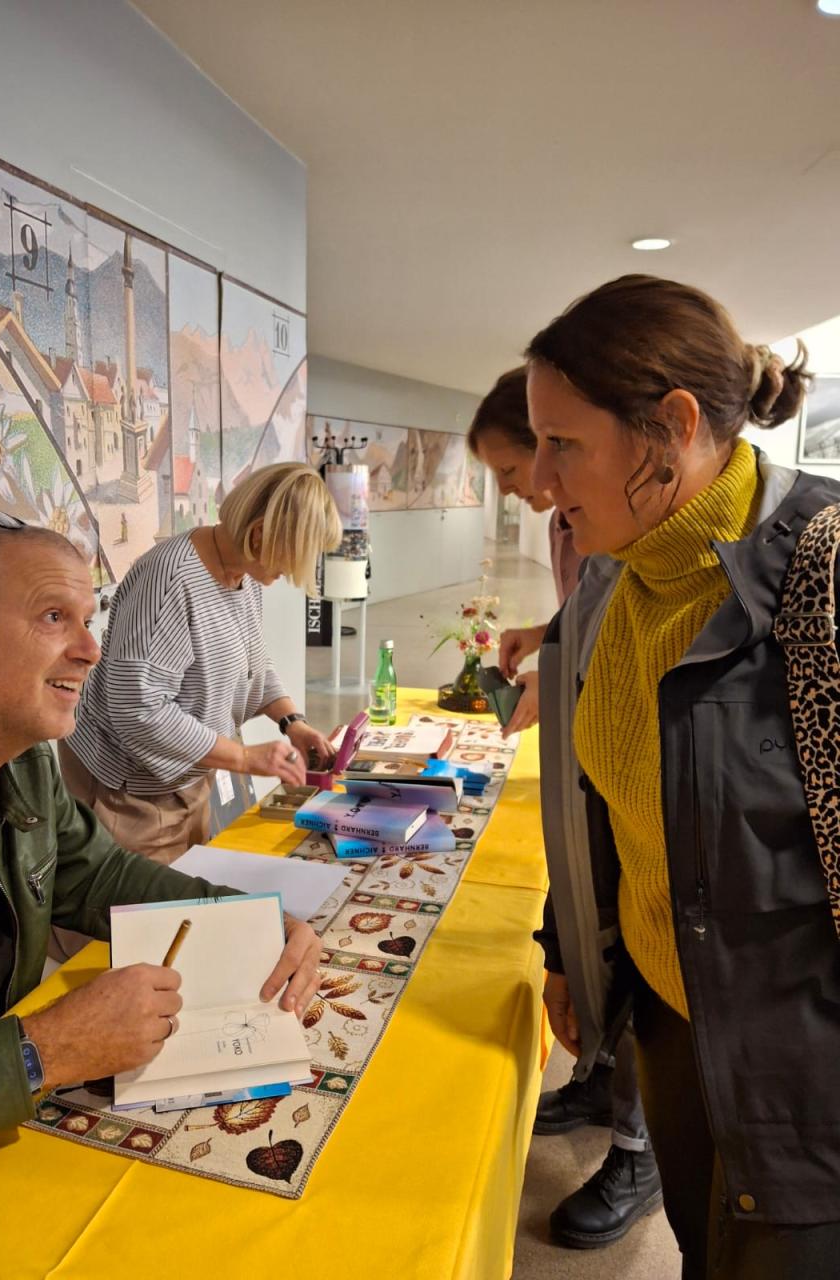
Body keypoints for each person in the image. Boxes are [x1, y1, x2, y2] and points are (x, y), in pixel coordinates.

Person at [529, 273, 840, 1278]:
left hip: (804, 1087)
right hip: (668, 1031)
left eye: (562, 442)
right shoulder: (614, 577)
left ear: (671, 426)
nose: (539, 476)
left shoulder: (822, 567)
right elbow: (602, 802)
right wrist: (572, 945)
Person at [0, 513, 322, 1179]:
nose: (92, 650)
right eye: (55, 617)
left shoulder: (22, 762)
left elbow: (99, 877)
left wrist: (255, 922)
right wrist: (42, 1052)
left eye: (90, 619)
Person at [469, 367, 661, 1250]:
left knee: (640, 952)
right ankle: (601, 1077)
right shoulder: (580, 527)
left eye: (555, 452)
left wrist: (567, 670)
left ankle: (637, 1142)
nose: (535, 485)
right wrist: (552, 645)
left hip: (642, 819)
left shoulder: (648, 545)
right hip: (596, 785)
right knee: (594, 944)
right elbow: (588, 621)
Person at [60, 462, 342, 864]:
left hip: (186, 774)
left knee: (189, 893)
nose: (291, 573)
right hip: (127, 789)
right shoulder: (171, 580)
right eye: (293, 558)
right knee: (133, 918)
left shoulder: (242, 576)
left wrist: (292, 722)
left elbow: (253, 663)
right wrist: (245, 757)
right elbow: (138, 708)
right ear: (259, 535)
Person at [468, 367, 579, 734]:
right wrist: (543, 635)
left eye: (508, 469)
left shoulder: (609, 528)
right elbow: (593, 621)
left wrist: (556, 684)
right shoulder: (558, 523)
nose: (502, 489)